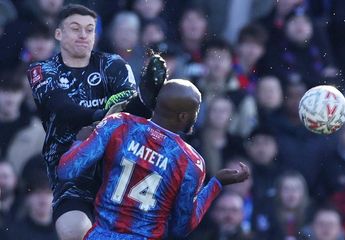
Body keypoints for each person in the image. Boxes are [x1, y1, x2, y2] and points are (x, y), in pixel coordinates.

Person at [26, 4, 166, 240]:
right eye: (75, 28)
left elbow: (134, 114)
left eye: (89, 30)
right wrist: (108, 111)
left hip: (119, 170)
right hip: (71, 173)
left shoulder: (113, 65)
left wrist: (149, 97)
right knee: (73, 232)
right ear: (58, 34)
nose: (83, 35)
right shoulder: (42, 69)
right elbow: (62, 109)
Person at [57, 79, 250, 239]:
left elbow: (68, 170)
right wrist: (216, 183)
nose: (197, 114)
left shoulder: (118, 124)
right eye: (196, 109)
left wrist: (78, 142)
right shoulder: (191, 161)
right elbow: (181, 227)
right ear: (183, 116)